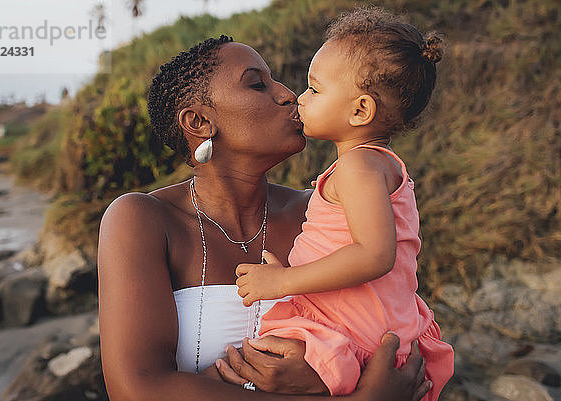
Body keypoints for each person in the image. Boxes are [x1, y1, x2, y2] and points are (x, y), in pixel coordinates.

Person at [98, 34, 431, 401]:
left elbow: (396, 340)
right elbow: (135, 391)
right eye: (258, 84)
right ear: (199, 122)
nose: (289, 94)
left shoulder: (323, 217)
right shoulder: (144, 220)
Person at [234, 8, 454, 400]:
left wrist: (282, 282)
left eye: (314, 90)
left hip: (351, 331)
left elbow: (374, 255)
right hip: (371, 324)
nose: (299, 99)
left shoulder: (358, 166)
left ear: (360, 110)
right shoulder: (376, 165)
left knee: (249, 368)